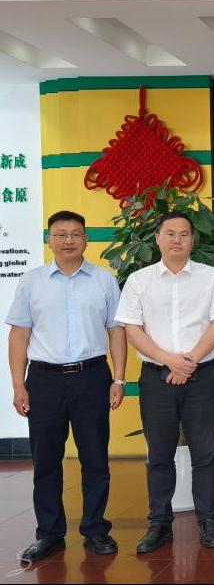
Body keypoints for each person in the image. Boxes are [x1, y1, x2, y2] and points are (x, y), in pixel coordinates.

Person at [115, 211, 214, 552]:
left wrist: (188, 362)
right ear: (157, 238)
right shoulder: (139, 281)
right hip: (156, 379)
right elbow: (132, 329)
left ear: (192, 240)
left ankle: (208, 520)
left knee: (205, 453)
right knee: (159, 454)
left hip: (202, 377)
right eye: (170, 233)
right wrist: (169, 360)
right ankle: (159, 524)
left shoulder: (212, 277)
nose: (177, 240)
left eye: (184, 234)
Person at [7, 211, 127, 562]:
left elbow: (116, 332)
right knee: (46, 461)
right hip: (44, 380)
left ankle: (95, 530)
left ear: (86, 239)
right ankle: (49, 534)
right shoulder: (32, 282)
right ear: (49, 240)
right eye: (60, 234)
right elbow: (19, 335)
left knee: (95, 459)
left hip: (92, 377)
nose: (68, 240)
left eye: (76, 234)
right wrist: (18, 385)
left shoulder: (104, 281)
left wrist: (119, 378)